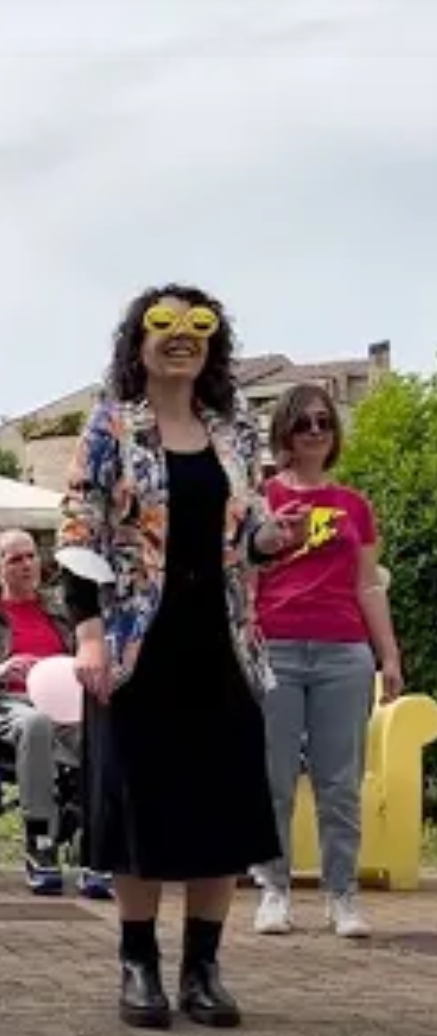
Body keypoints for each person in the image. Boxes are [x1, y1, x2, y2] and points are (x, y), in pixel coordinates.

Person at [59, 284, 307, 1030]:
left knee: (223, 808)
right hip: (138, 645)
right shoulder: (111, 425)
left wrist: (271, 538)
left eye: (197, 325)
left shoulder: (237, 432)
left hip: (223, 643)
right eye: (162, 323)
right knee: (140, 807)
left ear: (213, 342)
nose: (181, 336)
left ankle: (204, 968)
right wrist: (90, 633)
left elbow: (248, 527)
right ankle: (140, 966)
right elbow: (79, 529)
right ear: (137, 341)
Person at [251, 384, 405, 940]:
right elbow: (245, 575)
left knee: (340, 781)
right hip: (278, 648)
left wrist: (388, 654)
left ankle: (342, 896)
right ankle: (274, 890)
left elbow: (369, 586)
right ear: (285, 433)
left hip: (343, 651)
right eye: (304, 423)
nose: (315, 431)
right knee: (274, 779)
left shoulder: (354, 506)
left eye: (324, 422)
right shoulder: (261, 497)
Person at [0, 528, 111, 899]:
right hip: (5, 705)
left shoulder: (63, 606)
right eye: (15, 559)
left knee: (101, 734)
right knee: (36, 724)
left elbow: (90, 648)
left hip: (66, 704)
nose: (26, 565)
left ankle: (94, 845)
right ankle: (41, 842)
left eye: (31, 556)